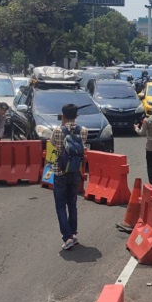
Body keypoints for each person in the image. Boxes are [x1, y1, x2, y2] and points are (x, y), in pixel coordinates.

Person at [49, 104, 88, 250]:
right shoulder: (83, 131)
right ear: (76, 116)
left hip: (60, 172)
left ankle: (67, 238)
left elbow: (53, 144)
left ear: (63, 115)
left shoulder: (57, 130)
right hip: (75, 172)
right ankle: (73, 233)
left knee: (60, 206)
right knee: (72, 204)